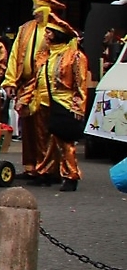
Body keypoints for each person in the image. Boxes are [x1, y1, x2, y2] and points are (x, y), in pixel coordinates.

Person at [2, 0, 65, 180]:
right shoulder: (25, 28)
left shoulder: (56, 30)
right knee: (28, 128)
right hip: (25, 84)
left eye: (38, 9)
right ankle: (31, 166)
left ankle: (48, 168)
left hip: (45, 85)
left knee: (44, 129)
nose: (34, 12)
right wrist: (10, 81)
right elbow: (15, 55)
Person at [34, 17, 89, 191]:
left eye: (49, 32)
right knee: (46, 141)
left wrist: (78, 107)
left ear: (57, 34)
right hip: (44, 102)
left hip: (64, 103)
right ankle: (46, 172)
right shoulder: (45, 55)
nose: (45, 35)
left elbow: (80, 83)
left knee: (65, 142)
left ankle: (71, 175)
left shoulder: (75, 56)